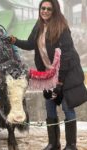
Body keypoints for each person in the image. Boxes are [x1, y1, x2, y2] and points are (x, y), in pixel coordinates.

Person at [7, 0, 87, 150]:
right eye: (42, 8)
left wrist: (60, 83)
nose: (45, 11)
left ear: (54, 10)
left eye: (48, 9)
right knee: (49, 107)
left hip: (66, 73)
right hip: (48, 74)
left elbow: (67, 56)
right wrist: (14, 41)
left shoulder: (62, 28)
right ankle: (53, 143)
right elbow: (31, 44)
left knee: (67, 107)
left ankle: (71, 145)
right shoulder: (38, 26)